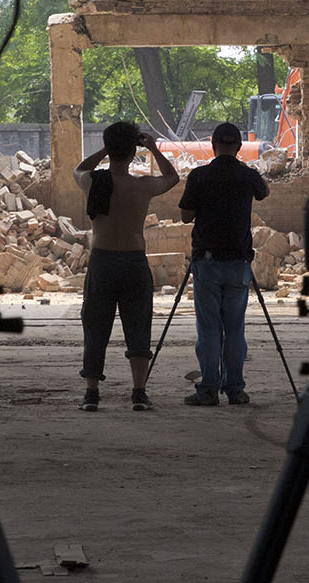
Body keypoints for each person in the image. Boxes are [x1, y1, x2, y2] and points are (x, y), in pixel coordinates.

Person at [72, 120, 178, 412]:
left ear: (109, 149)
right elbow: (172, 177)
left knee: (95, 327)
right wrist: (154, 149)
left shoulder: (93, 181)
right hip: (133, 262)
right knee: (138, 326)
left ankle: (91, 394)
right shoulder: (141, 186)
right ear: (133, 152)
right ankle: (139, 393)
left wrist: (105, 151)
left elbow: (77, 169)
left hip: (102, 260)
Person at [178, 122, 269, 406]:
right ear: (239, 147)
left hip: (207, 263)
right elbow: (263, 192)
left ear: (213, 145)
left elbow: (185, 216)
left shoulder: (199, 176)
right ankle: (235, 389)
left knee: (208, 329)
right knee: (235, 329)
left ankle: (208, 389)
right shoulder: (248, 175)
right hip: (238, 264)